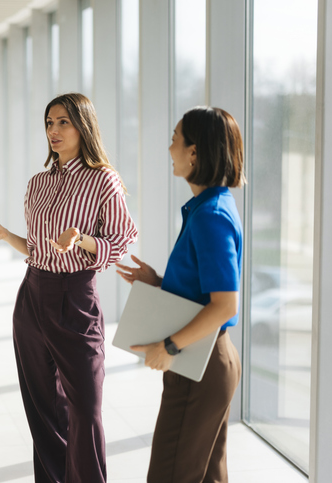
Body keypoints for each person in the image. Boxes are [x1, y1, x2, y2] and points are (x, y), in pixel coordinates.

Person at [0, 93, 138, 483]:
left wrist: (82, 240)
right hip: (32, 295)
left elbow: (122, 241)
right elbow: (39, 249)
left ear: (83, 126)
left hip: (75, 298)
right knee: (43, 408)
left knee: (86, 409)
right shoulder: (38, 183)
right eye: (49, 123)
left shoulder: (103, 180)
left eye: (63, 122)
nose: (54, 131)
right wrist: (6, 235)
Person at [116, 106, 244, 483]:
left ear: (194, 152)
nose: (169, 148)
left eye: (174, 139)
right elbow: (206, 294)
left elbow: (225, 305)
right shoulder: (208, 208)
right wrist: (158, 282)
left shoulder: (211, 216)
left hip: (199, 365)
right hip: (208, 359)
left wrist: (168, 346)